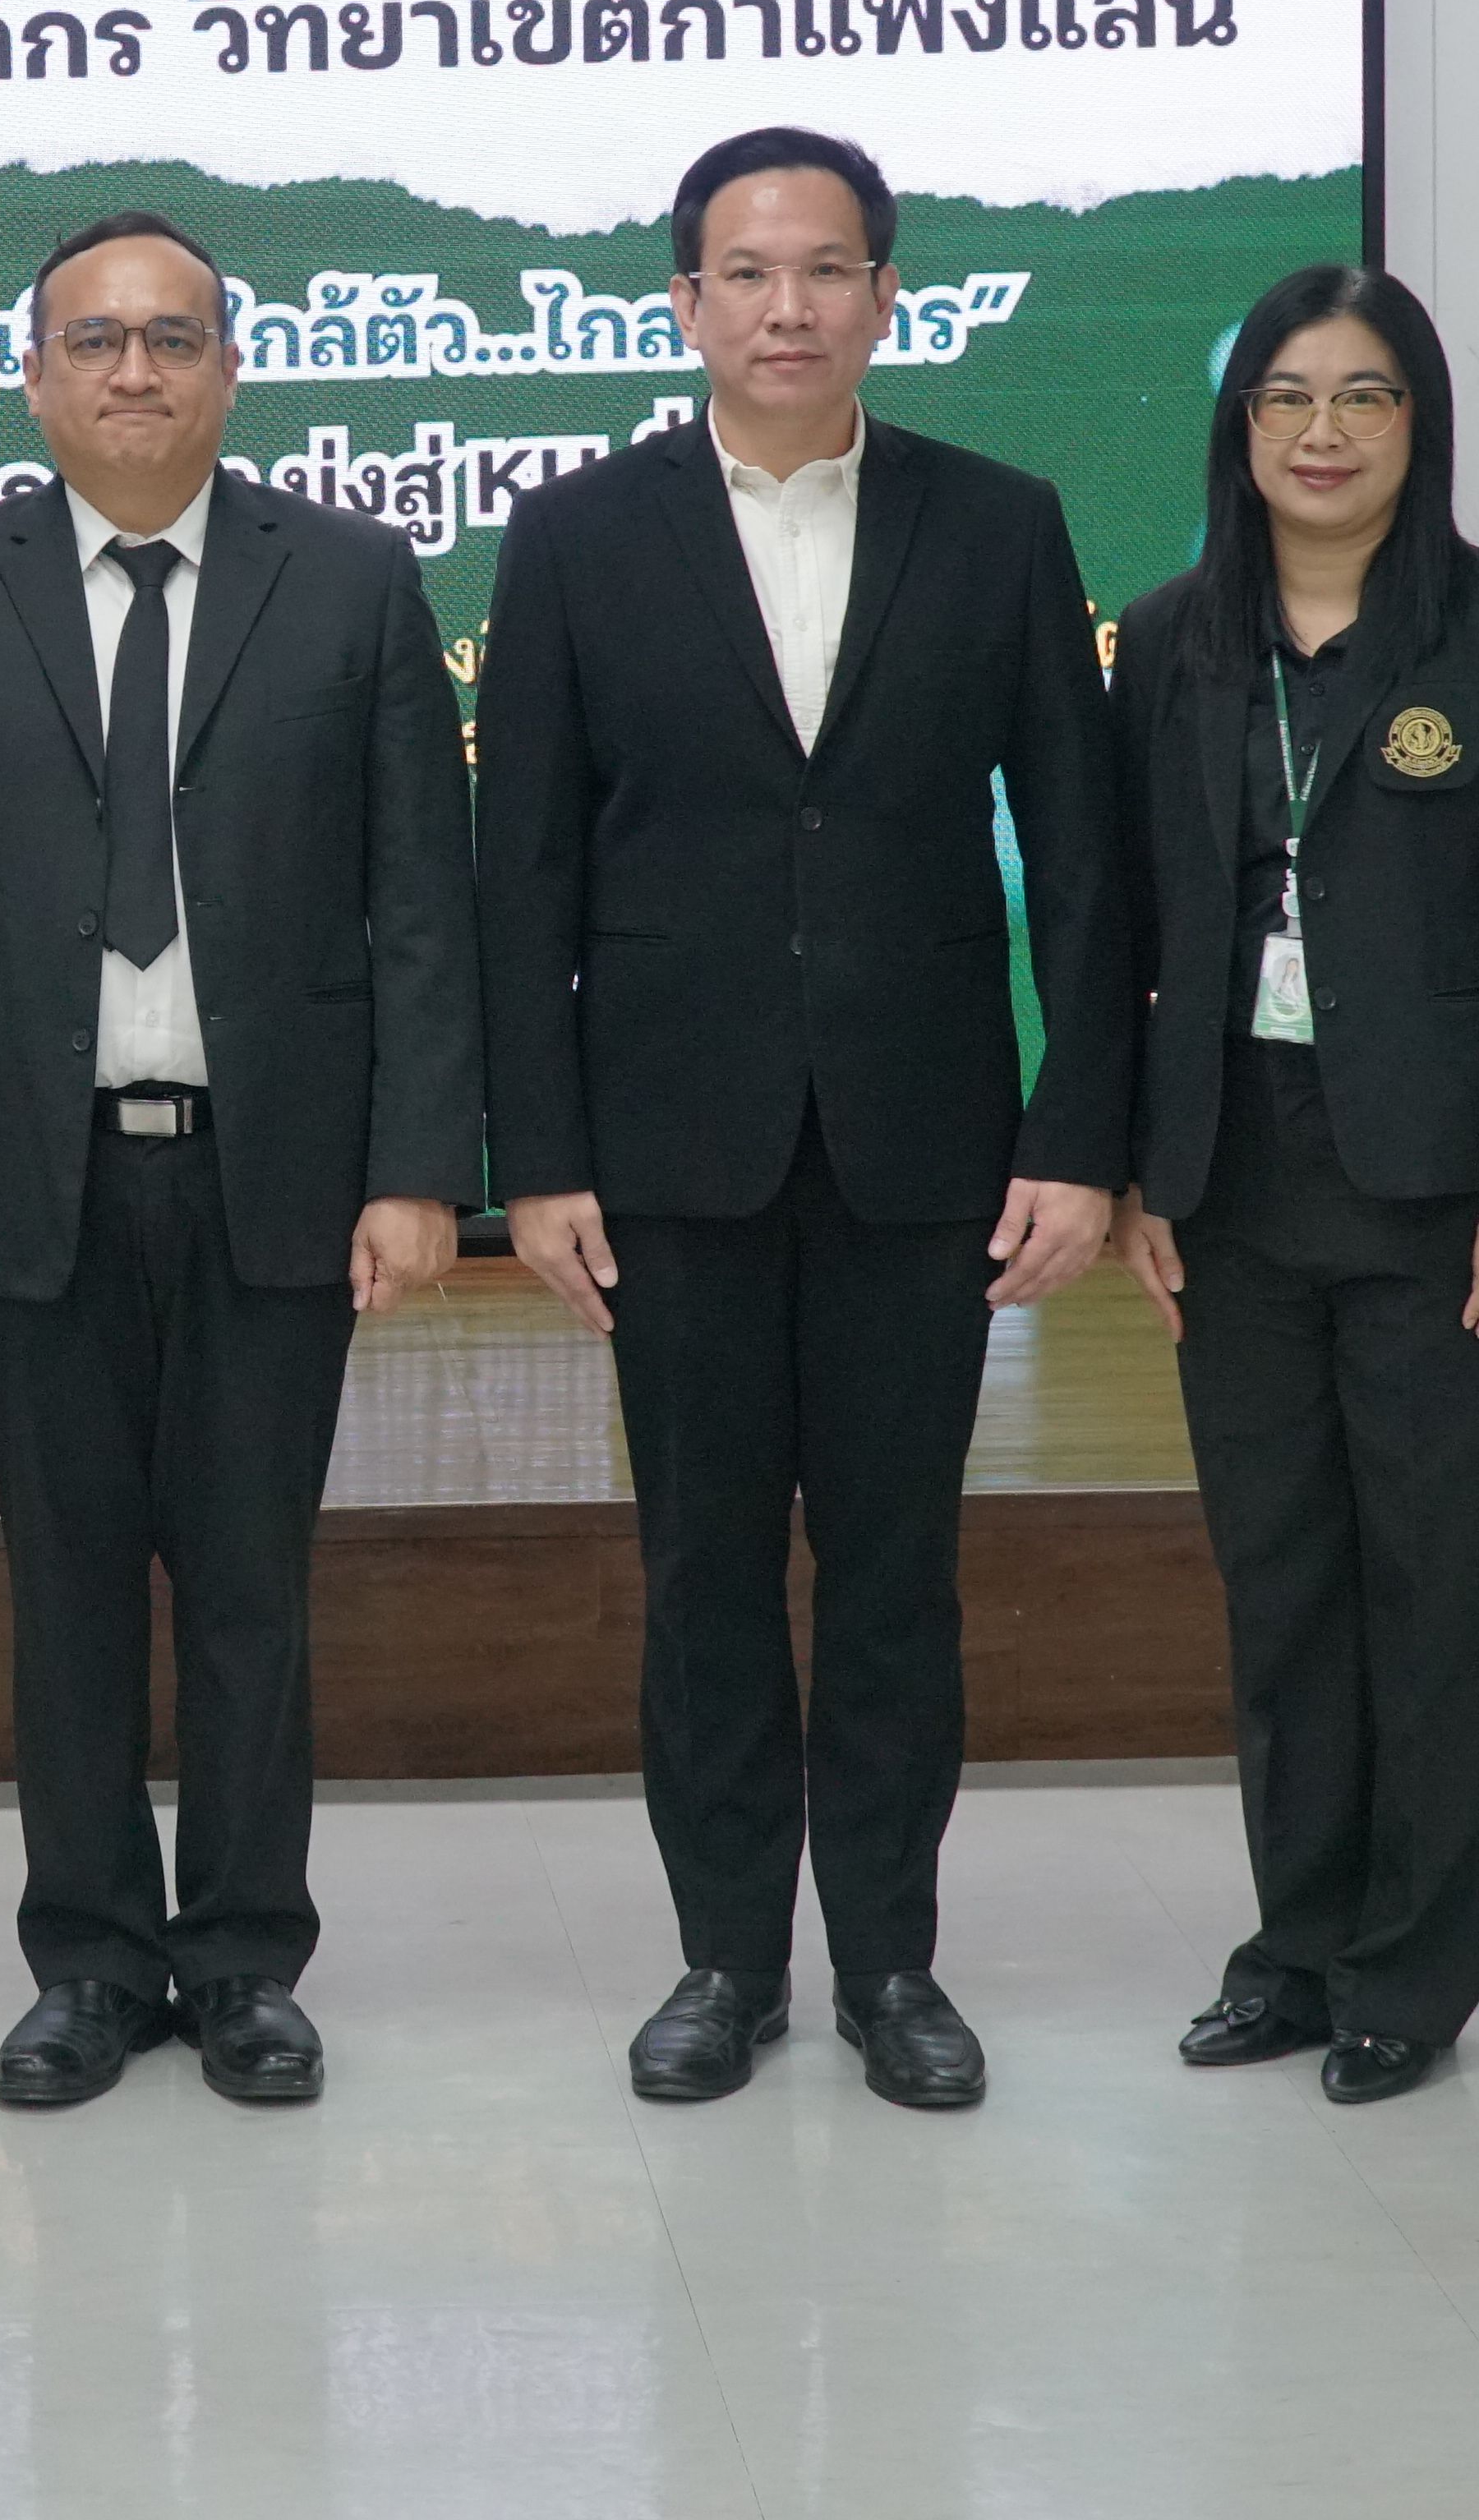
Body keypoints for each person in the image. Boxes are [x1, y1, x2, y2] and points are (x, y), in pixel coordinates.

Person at [477, 126, 1132, 2112]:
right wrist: (538, 1155)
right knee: (701, 1568)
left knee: (895, 1568)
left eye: (827, 269)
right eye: (748, 273)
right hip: (668, 1150)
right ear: (685, 300)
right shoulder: (576, 534)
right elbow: (520, 873)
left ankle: (894, 1962)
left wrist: (1077, 1131)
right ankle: (726, 1956)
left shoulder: (998, 522)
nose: (788, 306)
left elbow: (1085, 859)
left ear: (884, 296)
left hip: (923, 1147)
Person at [0, 210, 479, 2112]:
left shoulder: (351, 578)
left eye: (171, 337)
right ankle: (93, 1959)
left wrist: (418, 1164)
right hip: (29, 1181)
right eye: (94, 340)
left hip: (280, 1170)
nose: (133, 370)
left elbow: (421, 898)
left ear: (228, 370)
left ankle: (249, 1956)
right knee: (70, 1581)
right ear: (34, 378)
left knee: (256, 1581)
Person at [1107, 268, 1479, 2106]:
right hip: (1233, 1182)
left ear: (1421, 422)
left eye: (1365, 396)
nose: (1323, 432)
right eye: (1287, 398)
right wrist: (1140, 1169)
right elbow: (1132, 923)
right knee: (1286, 1589)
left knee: (1440, 1594)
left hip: (1444, 1196)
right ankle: (1299, 1946)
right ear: (1240, 429)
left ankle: (1414, 1968)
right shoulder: (1170, 634)